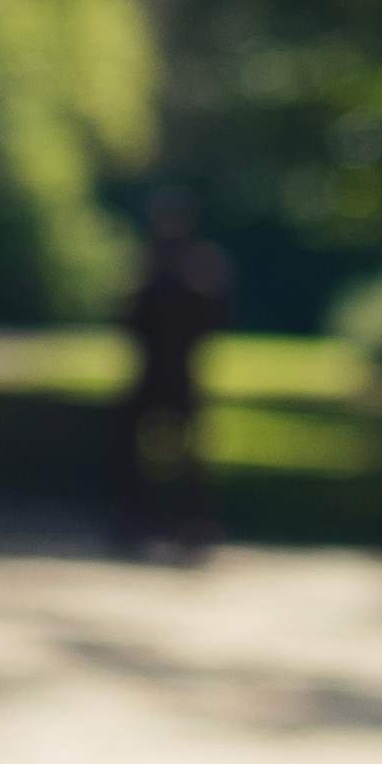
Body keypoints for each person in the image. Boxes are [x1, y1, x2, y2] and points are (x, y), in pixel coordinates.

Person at [112, 191, 237, 559]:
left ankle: (180, 521)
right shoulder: (169, 273)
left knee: (189, 457)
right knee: (140, 450)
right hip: (162, 375)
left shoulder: (174, 274)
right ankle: (141, 518)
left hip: (173, 375)